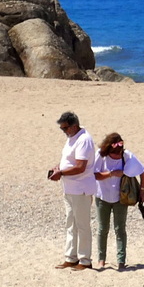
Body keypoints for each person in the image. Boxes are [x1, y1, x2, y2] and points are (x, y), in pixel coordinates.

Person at [46, 112, 97, 269]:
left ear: (74, 126)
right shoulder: (72, 138)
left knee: (82, 225)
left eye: (65, 128)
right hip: (69, 188)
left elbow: (81, 167)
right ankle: (71, 257)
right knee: (70, 224)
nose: (64, 131)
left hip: (81, 189)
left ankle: (85, 260)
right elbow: (68, 160)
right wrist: (58, 168)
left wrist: (61, 173)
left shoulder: (84, 140)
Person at [91, 133, 144, 271]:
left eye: (119, 153)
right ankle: (101, 259)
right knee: (102, 229)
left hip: (121, 198)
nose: (117, 156)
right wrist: (111, 174)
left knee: (120, 229)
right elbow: (94, 175)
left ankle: (121, 260)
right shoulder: (100, 155)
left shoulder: (127, 155)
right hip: (102, 196)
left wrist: (142, 190)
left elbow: (142, 170)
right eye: (114, 153)